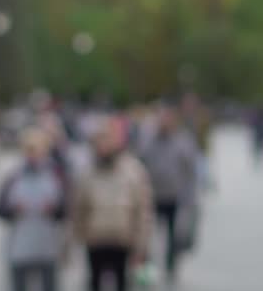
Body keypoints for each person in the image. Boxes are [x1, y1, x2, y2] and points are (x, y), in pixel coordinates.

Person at [73, 118, 154, 291]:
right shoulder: (87, 172)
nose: (104, 146)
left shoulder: (133, 170)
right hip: (95, 237)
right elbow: (79, 207)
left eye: (108, 140)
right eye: (100, 141)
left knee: (122, 281)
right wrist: (77, 234)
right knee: (94, 281)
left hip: (122, 237)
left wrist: (142, 243)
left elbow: (143, 209)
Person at [0, 127, 67, 291]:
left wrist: (53, 209)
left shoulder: (56, 175)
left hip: (47, 244)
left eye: (37, 150)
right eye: (29, 150)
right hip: (19, 244)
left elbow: (65, 210)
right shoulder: (13, 176)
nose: (33, 155)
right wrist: (13, 209)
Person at [139, 105, 200, 282]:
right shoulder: (148, 140)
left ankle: (171, 266)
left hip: (175, 197)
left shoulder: (183, 141)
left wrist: (190, 197)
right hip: (152, 196)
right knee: (148, 236)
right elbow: (140, 162)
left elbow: (190, 172)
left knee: (174, 235)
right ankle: (147, 269)